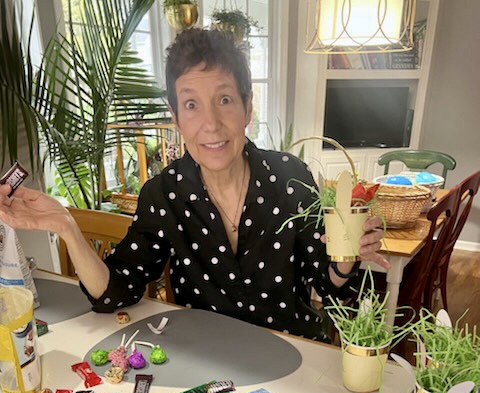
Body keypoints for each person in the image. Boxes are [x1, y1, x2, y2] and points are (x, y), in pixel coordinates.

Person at [0, 28, 389, 342]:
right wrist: (67, 227)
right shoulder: (164, 195)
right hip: (208, 367)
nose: (211, 124)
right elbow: (115, 291)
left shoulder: (290, 178)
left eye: (224, 100)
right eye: (191, 105)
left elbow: (330, 285)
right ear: (175, 117)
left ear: (248, 107)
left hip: (296, 357)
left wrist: (346, 256)